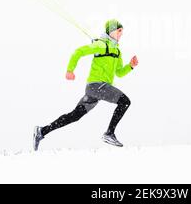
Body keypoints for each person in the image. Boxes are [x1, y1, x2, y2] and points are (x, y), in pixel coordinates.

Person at [33, 19, 138, 150]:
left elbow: (119, 73)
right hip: (96, 86)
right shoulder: (101, 45)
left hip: (97, 90)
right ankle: (109, 133)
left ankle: (42, 131)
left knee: (75, 116)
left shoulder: (117, 51)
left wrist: (130, 66)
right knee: (124, 101)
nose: (121, 34)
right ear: (111, 31)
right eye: (119, 31)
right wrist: (70, 70)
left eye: (122, 31)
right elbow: (78, 52)